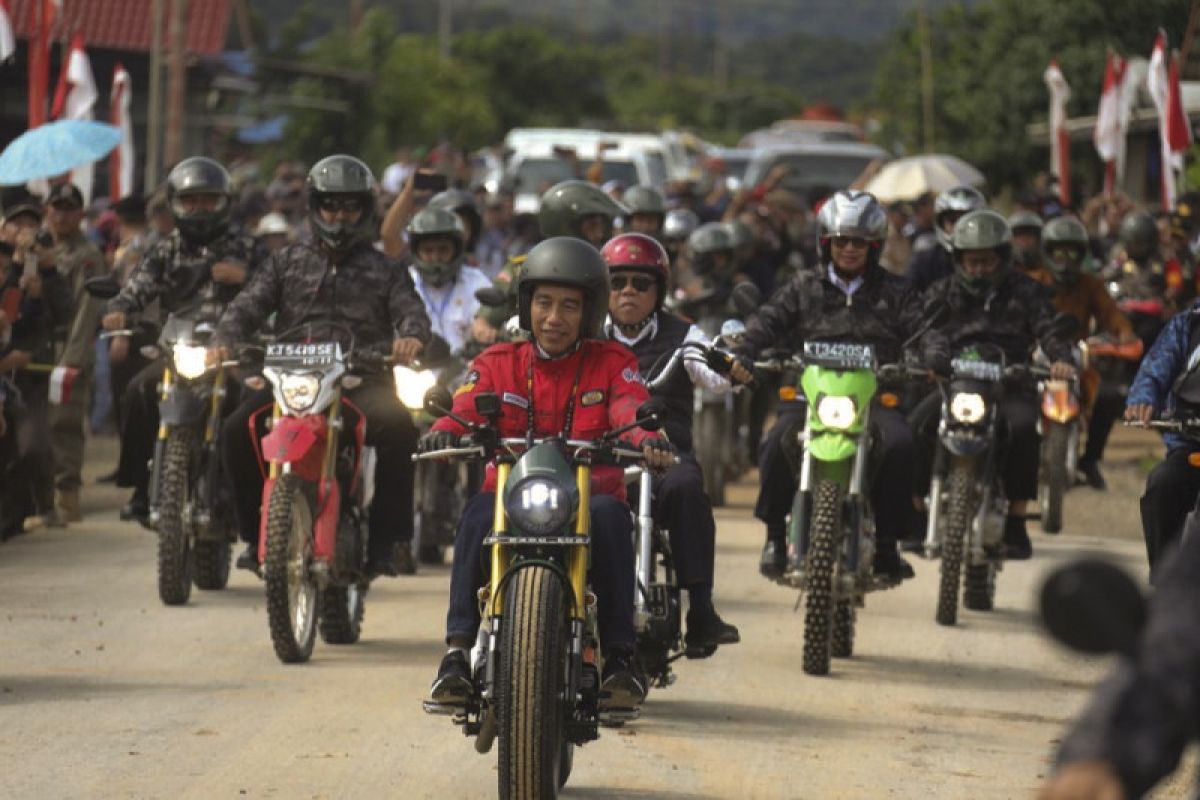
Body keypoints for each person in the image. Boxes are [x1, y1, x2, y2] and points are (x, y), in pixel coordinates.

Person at [424, 236, 675, 711]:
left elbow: (630, 405)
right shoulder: (498, 362)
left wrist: (649, 440)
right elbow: (464, 407)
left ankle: (621, 656)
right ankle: (457, 653)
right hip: (509, 499)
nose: (554, 318)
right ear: (526, 306)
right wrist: (443, 431)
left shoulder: (612, 363)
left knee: (611, 519)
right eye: (543, 304)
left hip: (589, 498)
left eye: (568, 306)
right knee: (477, 516)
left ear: (590, 311)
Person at [215, 154, 430, 578]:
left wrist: (409, 337)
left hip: (359, 379)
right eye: (331, 205)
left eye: (350, 207)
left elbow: (412, 313)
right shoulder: (285, 261)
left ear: (365, 211)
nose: (340, 216)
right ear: (315, 207)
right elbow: (245, 307)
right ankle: (248, 532)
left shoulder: (386, 269)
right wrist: (224, 340)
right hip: (290, 381)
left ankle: (388, 541)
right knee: (236, 428)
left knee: (402, 428)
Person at [737, 190, 948, 581]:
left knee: (900, 444)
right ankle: (774, 537)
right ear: (826, 243)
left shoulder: (897, 291)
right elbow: (766, 320)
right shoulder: (802, 286)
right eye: (841, 241)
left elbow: (925, 330)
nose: (849, 249)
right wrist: (744, 350)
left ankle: (887, 544)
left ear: (875, 246)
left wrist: (935, 355)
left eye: (859, 242)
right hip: (809, 393)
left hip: (876, 395)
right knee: (778, 438)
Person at [601, 232, 747, 654]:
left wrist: (731, 367)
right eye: (618, 281)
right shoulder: (588, 336)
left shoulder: (685, 335)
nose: (629, 291)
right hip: (602, 457)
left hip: (666, 456)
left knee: (687, 488)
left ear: (658, 290)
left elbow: (714, 371)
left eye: (640, 283)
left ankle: (701, 609)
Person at [103, 158, 265, 523]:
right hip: (181, 348)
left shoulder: (249, 247)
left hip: (236, 352)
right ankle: (142, 489)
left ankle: (257, 502)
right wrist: (118, 310)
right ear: (177, 203)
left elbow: (278, 291)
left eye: (208, 200)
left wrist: (247, 277)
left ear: (224, 202)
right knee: (139, 391)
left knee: (256, 406)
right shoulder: (165, 249)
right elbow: (135, 289)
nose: (199, 208)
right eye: (191, 200)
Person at [914, 209, 1075, 559]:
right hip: (953, 384)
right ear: (958, 260)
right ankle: (915, 511)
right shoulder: (942, 291)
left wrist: (1061, 359)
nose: (978, 269)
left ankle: (1016, 522)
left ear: (1003, 259)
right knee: (915, 427)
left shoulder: (1027, 291)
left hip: (1010, 384)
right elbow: (928, 331)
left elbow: (1048, 330)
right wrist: (932, 360)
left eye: (986, 261)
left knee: (1023, 431)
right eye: (971, 262)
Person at [1028, 216, 1135, 490]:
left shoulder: (1091, 284)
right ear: (1047, 252)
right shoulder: (1031, 281)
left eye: (1072, 252)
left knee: (1111, 396)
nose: (1065, 259)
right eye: (1059, 252)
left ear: (1082, 255)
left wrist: (1123, 336)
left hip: (1076, 354)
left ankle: (1090, 460)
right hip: (1035, 353)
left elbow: (1113, 316)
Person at [45, 183, 107, 522]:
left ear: (81, 214)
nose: (61, 215)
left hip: (69, 346)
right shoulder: (37, 248)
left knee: (65, 423)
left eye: (69, 208)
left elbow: (88, 310)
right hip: (39, 348)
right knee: (38, 424)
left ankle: (66, 496)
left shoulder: (87, 255)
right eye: (56, 207)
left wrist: (72, 359)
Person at [406, 207, 491, 355]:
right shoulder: (404, 283)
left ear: (456, 250)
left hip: (466, 370)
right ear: (416, 252)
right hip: (414, 370)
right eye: (428, 251)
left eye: (443, 250)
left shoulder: (476, 282)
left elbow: (488, 319)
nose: (436, 258)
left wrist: (485, 326)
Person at [906, 185, 986, 292]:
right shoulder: (925, 262)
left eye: (967, 219)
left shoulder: (996, 258)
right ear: (941, 224)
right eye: (952, 220)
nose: (960, 226)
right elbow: (907, 296)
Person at [1009, 210, 1045, 275]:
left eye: (1030, 234)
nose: (1025, 239)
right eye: (1019, 233)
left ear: (1039, 239)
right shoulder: (1005, 269)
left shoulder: (1048, 268)